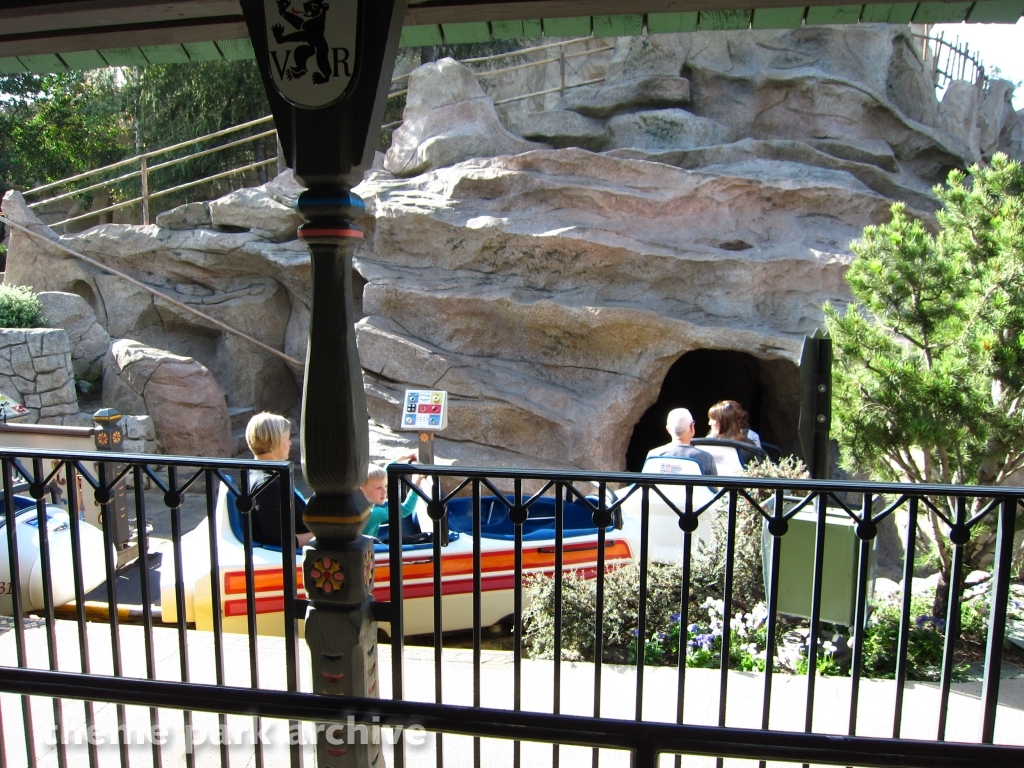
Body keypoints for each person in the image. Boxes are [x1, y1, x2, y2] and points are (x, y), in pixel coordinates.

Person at [245, 412, 314, 548]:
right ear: (273, 442)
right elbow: (280, 541)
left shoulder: (260, 473)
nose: (290, 443)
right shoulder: (267, 486)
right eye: (287, 439)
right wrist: (323, 534)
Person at [360, 455, 422, 540]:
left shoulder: (360, 502)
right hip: (372, 550)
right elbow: (406, 509)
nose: (385, 491)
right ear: (362, 490)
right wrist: (417, 483)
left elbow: (384, 474)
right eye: (379, 488)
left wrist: (403, 457)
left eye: (385, 486)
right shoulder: (373, 514)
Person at [645, 408, 717, 476]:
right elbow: (714, 488)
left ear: (668, 429)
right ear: (692, 427)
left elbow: (644, 485)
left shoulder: (653, 455)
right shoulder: (706, 458)